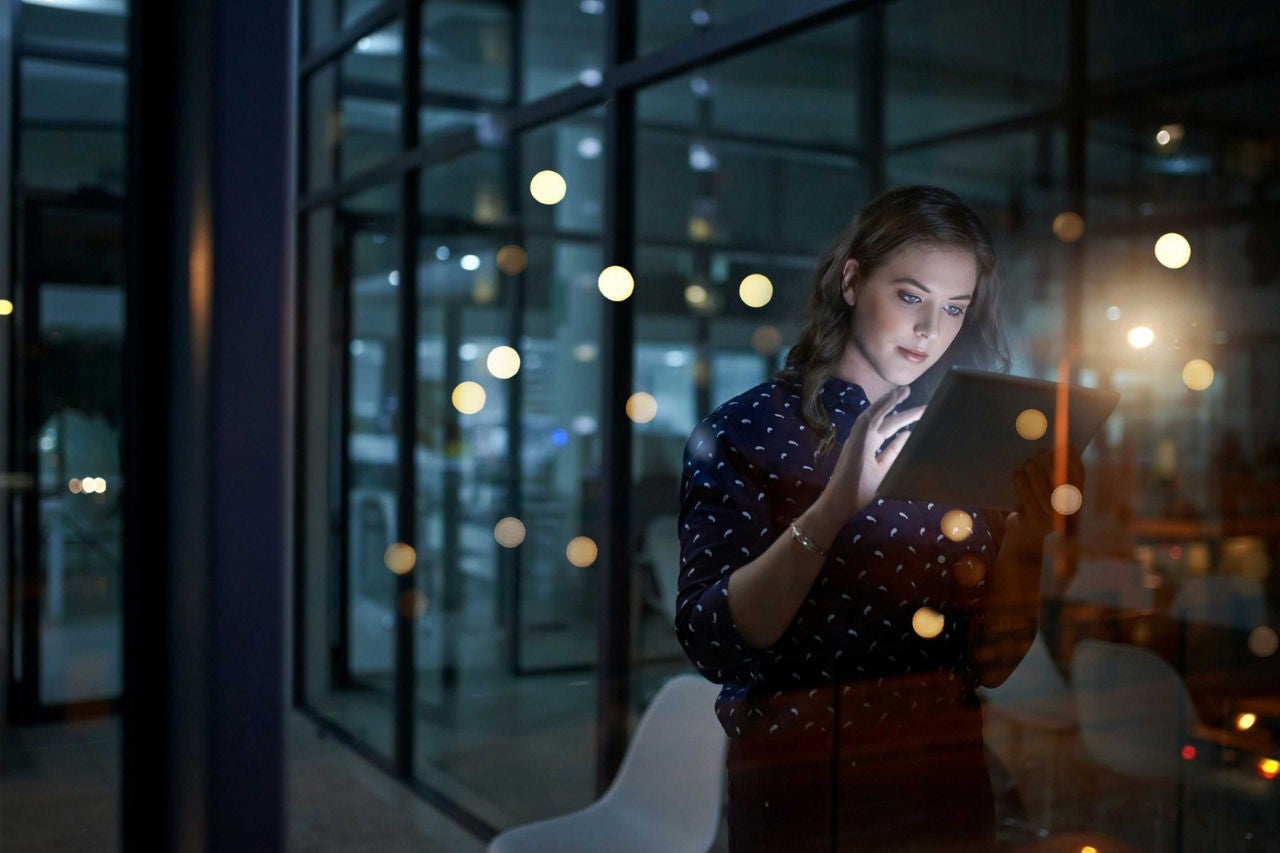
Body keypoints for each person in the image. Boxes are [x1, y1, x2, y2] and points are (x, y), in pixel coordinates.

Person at [675, 186, 1079, 851]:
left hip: (944, 770)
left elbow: (992, 660)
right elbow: (714, 642)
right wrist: (835, 506)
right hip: (806, 783)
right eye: (911, 296)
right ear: (853, 279)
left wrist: (1028, 535)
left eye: (955, 308)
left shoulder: (956, 438)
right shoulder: (747, 430)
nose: (931, 330)